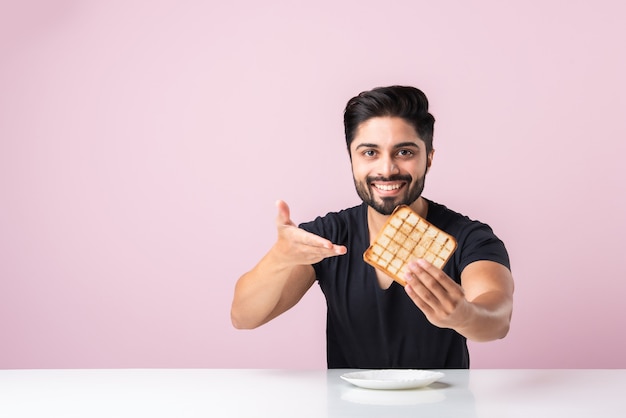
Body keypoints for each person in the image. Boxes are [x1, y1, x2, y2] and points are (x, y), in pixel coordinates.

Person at [231, 85, 514, 369]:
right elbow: (243, 317)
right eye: (369, 153)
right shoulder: (327, 237)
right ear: (351, 158)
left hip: (445, 408)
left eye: (404, 152)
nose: (387, 169)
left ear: (428, 157)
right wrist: (278, 259)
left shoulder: (468, 237)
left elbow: (497, 318)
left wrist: (464, 315)